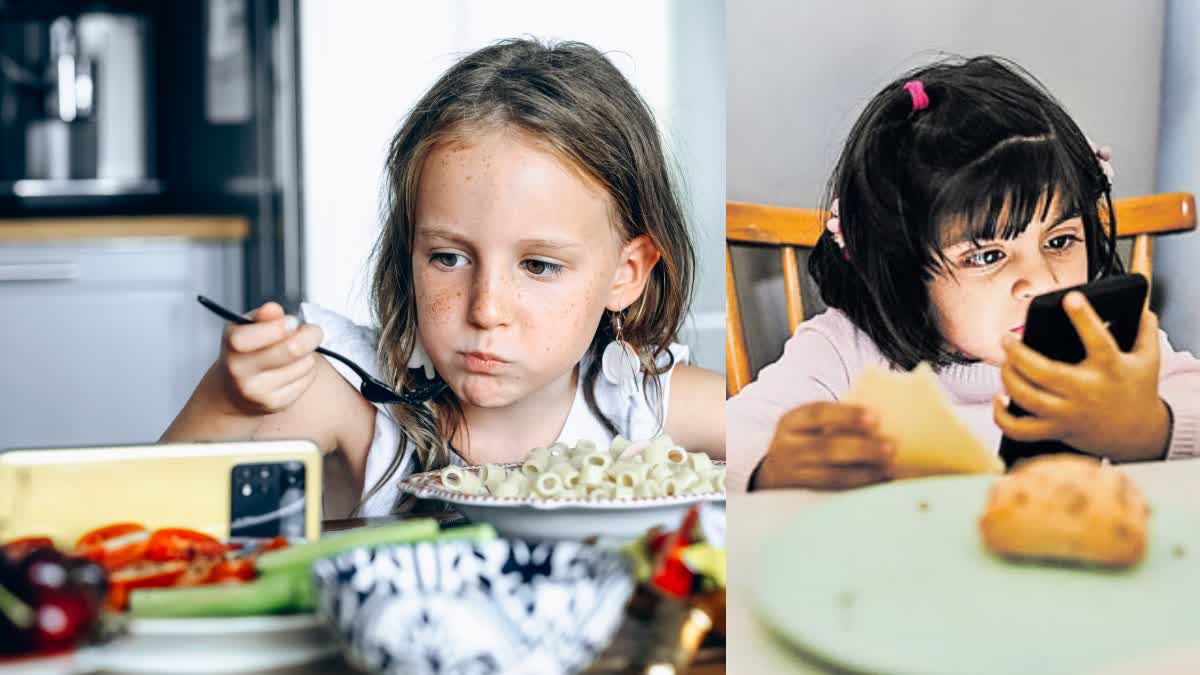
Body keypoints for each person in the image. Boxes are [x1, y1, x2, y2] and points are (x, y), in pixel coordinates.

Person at [163, 39, 725, 514]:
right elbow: (142, 517)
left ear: (625, 274)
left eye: (538, 266)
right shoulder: (349, 401)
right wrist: (229, 401)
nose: (485, 309)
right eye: (449, 258)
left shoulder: (645, 405)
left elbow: (789, 448)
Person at [728, 56, 1200, 492]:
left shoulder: (1107, 347)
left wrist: (1150, 429)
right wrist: (771, 470)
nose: (1041, 281)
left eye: (1059, 241)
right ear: (902, 270)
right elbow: (734, 441)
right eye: (987, 256)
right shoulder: (843, 352)